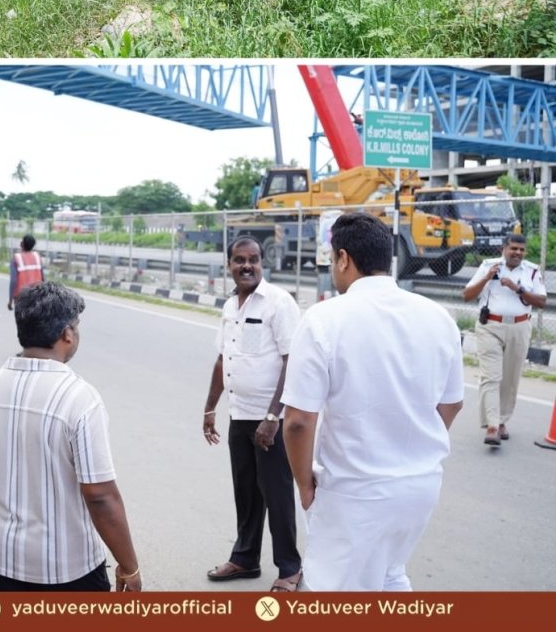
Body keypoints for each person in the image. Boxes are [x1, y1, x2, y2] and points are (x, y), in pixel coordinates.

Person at [282, 213, 463, 592]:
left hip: (356, 490)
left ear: (344, 258)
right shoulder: (438, 317)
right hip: (420, 485)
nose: (333, 268)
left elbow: (298, 420)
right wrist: (411, 441)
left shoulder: (323, 319)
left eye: (332, 260)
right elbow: (452, 404)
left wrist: (303, 483)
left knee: (333, 589)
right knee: (390, 575)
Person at [0, 281, 142, 592]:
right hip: (67, 568)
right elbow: (100, 496)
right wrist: (129, 567)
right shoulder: (79, 399)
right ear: (67, 334)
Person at [202, 236, 302, 590]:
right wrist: (211, 406)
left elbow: (293, 361)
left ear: (262, 263)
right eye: (240, 260)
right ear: (228, 265)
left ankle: (290, 568)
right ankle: (245, 559)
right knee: (246, 492)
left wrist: (273, 417)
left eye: (254, 260)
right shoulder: (231, 306)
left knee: (276, 495)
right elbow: (222, 359)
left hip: (269, 420)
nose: (247, 266)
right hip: (239, 414)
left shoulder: (278, 303)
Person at [462, 233, 547, 446]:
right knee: (491, 376)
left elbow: (541, 301)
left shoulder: (531, 270)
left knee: (510, 379)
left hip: (519, 326)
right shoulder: (488, 266)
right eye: (513, 249)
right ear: (504, 249)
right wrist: (486, 278)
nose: (517, 253)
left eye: (521, 250)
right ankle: (491, 425)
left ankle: (501, 421)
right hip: (490, 326)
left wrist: (517, 288)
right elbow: (467, 295)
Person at [8, 234, 44, 310]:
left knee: (23, 320)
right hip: (36, 295)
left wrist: (10, 300)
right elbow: (43, 278)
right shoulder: (37, 257)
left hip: (21, 297)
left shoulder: (16, 258)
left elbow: (13, 281)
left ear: (22, 244)